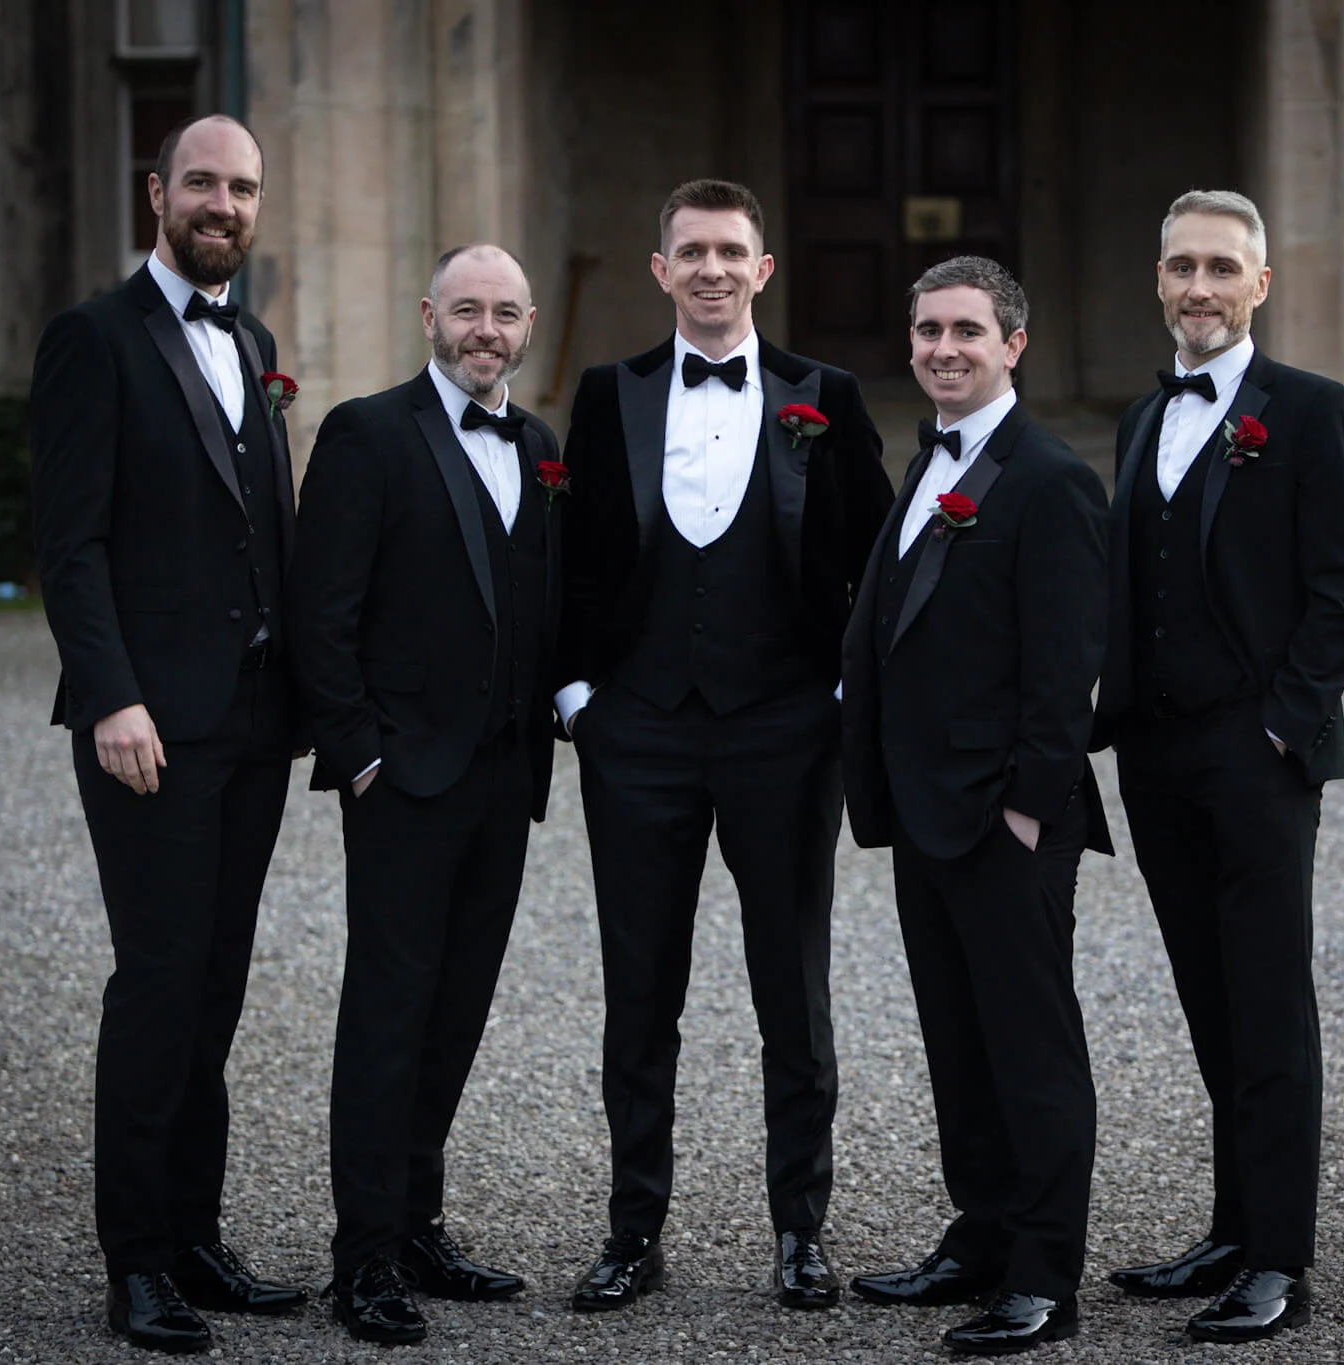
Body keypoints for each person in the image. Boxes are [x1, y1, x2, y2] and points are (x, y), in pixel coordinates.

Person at [554, 179, 892, 1311]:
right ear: (659, 270)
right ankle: (630, 1231)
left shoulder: (823, 397)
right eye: (688, 251)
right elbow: (568, 554)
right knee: (638, 993)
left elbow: (875, 560)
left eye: (728, 251)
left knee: (790, 995)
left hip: (784, 735)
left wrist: (842, 697)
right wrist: (575, 700)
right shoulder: (606, 396)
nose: (708, 269)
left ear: (762, 269)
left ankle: (800, 1231)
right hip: (636, 733)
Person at [29, 113, 307, 1353]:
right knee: (154, 987)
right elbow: (69, 542)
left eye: (241, 187)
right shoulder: (94, 338)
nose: (222, 203)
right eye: (202, 181)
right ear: (157, 193)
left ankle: (195, 1235)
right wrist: (111, 696)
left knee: (216, 988)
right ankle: (136, 1262)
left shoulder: (248, 337)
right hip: (150, 727)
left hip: (249, 727)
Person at [1095, 190, 1344, 1344]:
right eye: (1180, 267)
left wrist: (1281, 725)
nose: (1197, 287)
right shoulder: (1134, 417)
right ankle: (1227, 1229)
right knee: (1207, 1000)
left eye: (1220, 267)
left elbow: (1343, 587)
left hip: (1256, 755)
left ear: (1258, 285)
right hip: (1154, 754)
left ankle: (1276, 1261)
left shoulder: (1309, 412)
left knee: (1268, 1007)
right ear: (1156, 280)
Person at [284, 244, 562, 1343]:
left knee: (456, 1009)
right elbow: (322, 612)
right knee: (389, 1012)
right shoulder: (367, 432)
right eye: (465, 310)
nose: (484, 329)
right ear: (427, 316)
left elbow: (537, 603)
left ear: (527, 323)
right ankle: (361, 1260)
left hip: (501, 775)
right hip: (401, 778)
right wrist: (358, 756)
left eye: (503, 312)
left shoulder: (539, 448)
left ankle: (416, 1223)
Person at [840, 257, 1110, 1357]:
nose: (941, 349)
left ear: (1012, 344)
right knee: (959, 1043)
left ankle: (1044, 1276)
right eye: (925, 331)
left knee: (1031, 1051)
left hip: (1003, 818)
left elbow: (1063, 671)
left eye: (964, 331)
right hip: (925, 812)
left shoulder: (1048, 479)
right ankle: (982, 1235)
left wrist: (1025, 809)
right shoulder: (928, 466)